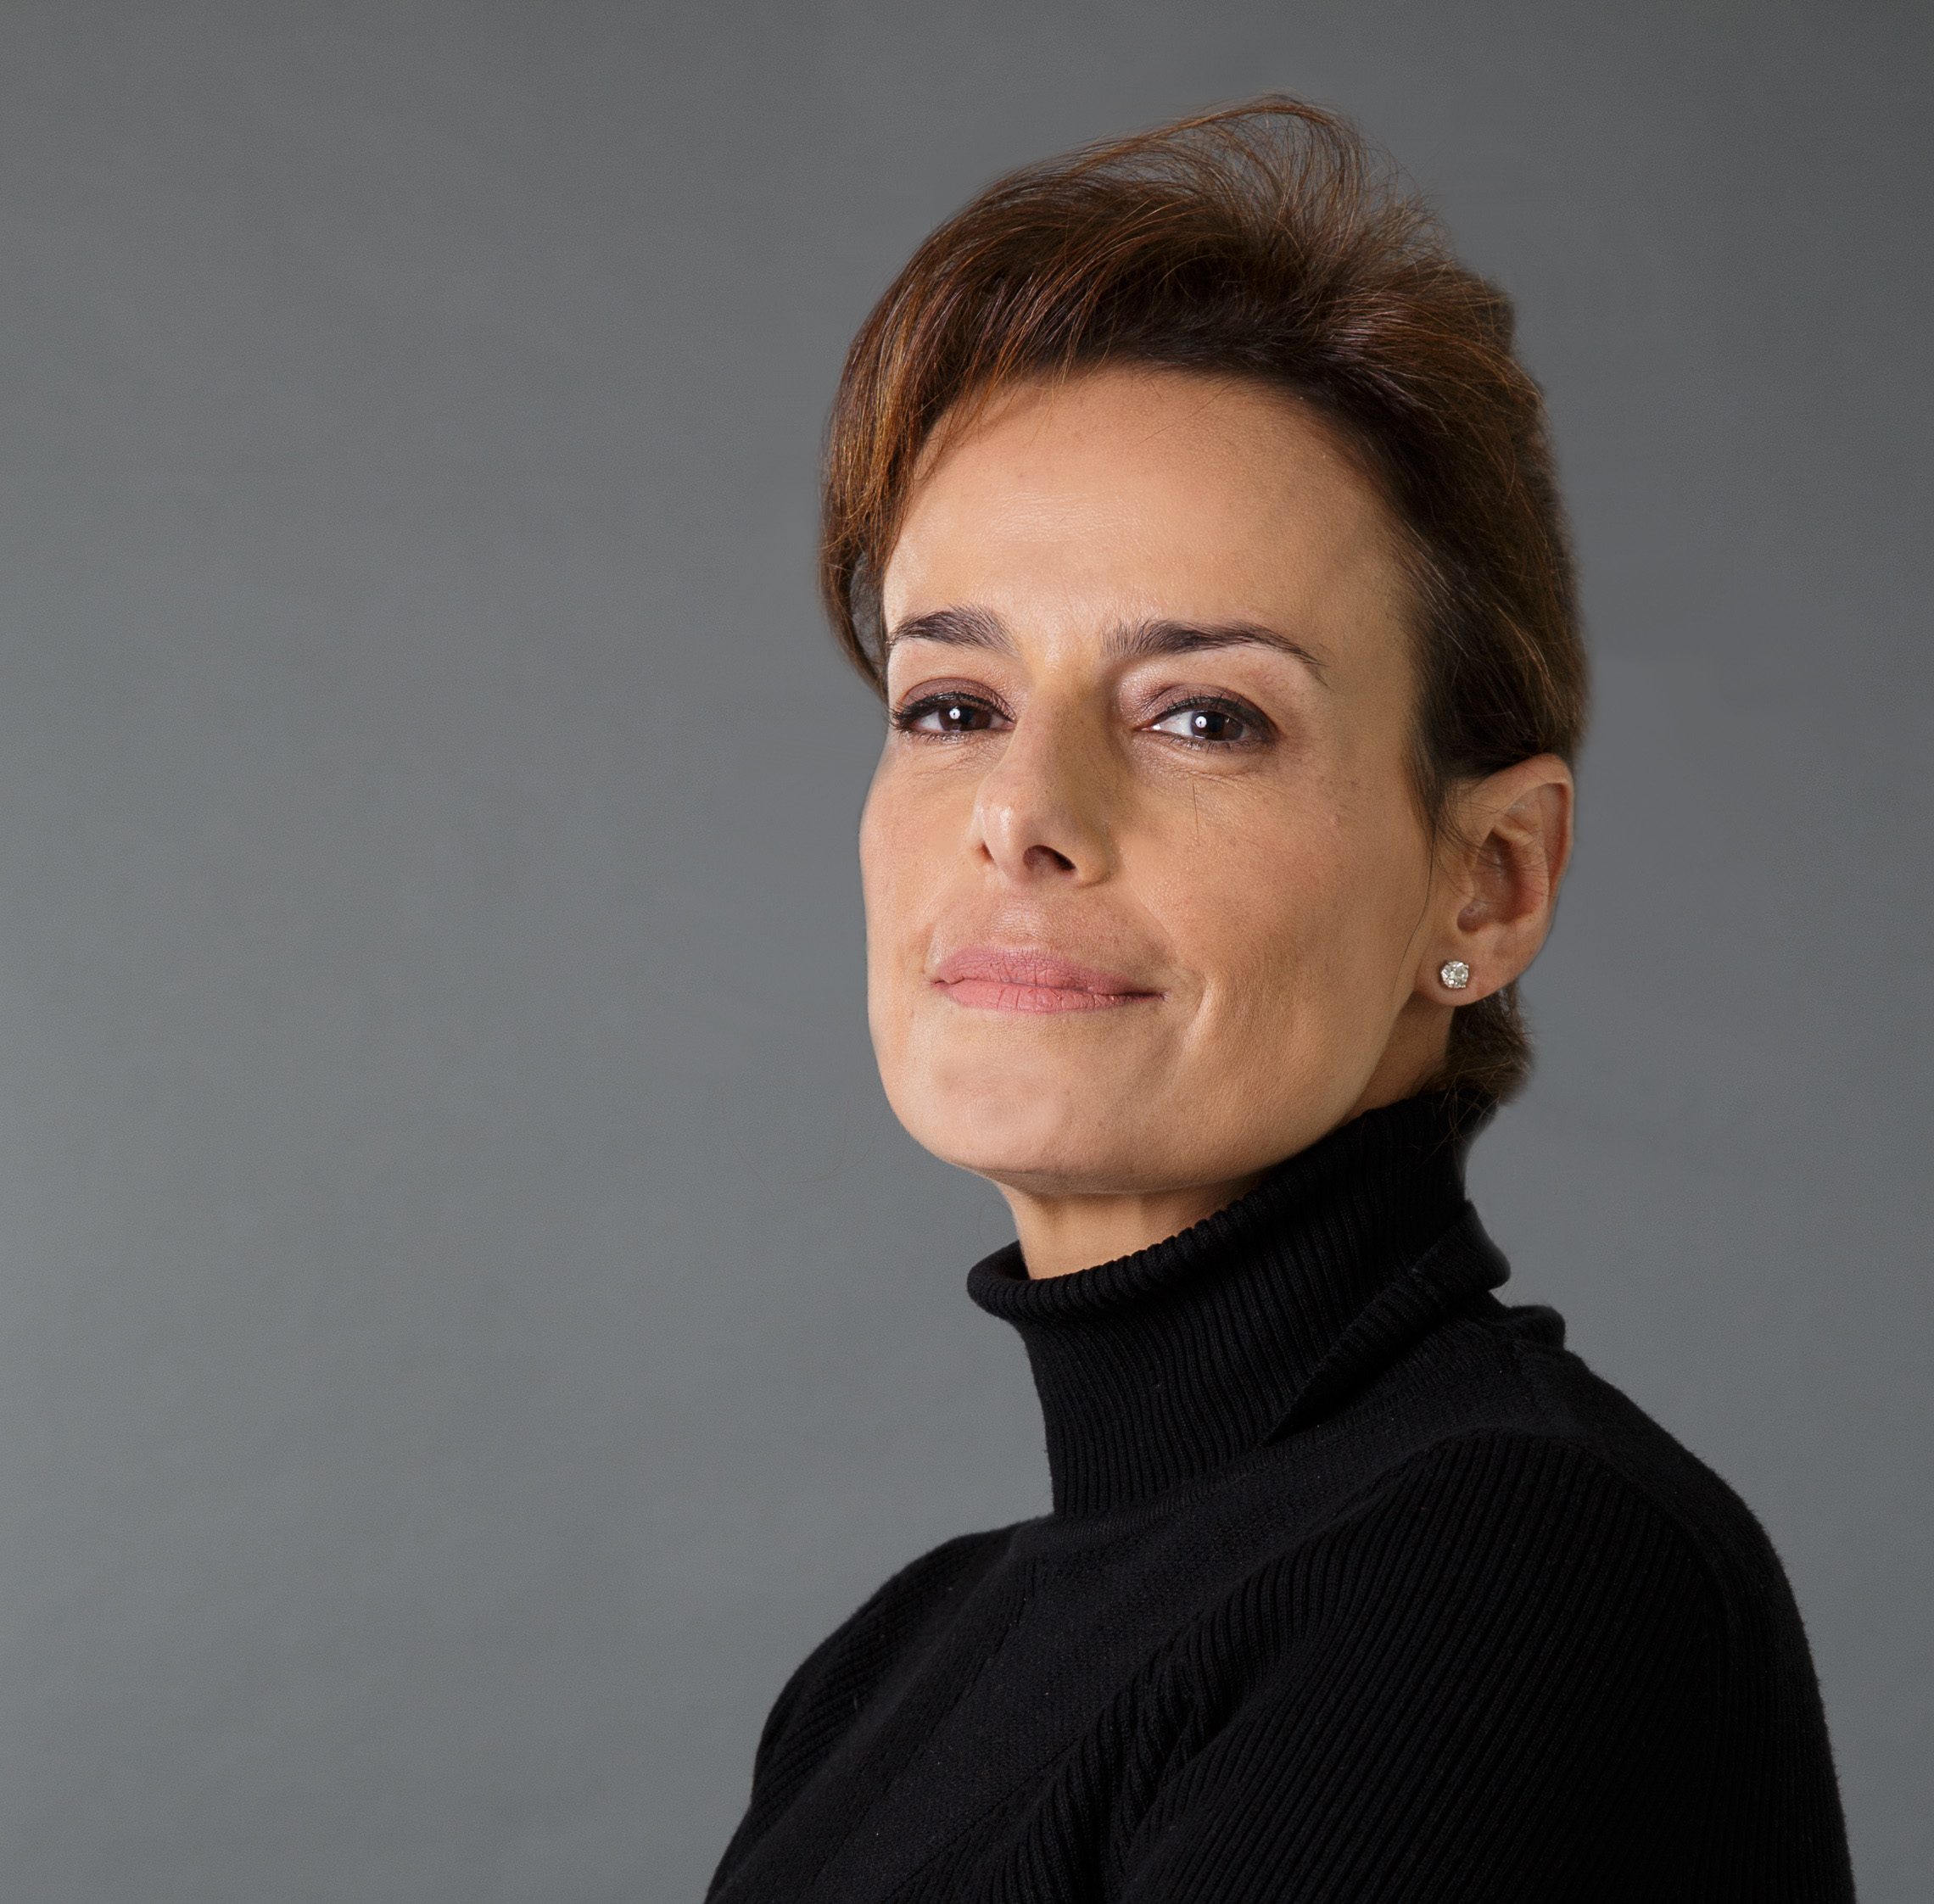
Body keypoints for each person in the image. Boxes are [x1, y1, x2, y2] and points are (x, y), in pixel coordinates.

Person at [706, 98, 1856, 1901]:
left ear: (1488, 881)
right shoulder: (889, 1676)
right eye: (952, 705)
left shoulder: (1510, 1570)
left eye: (1203, 715)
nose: (1020, 811)